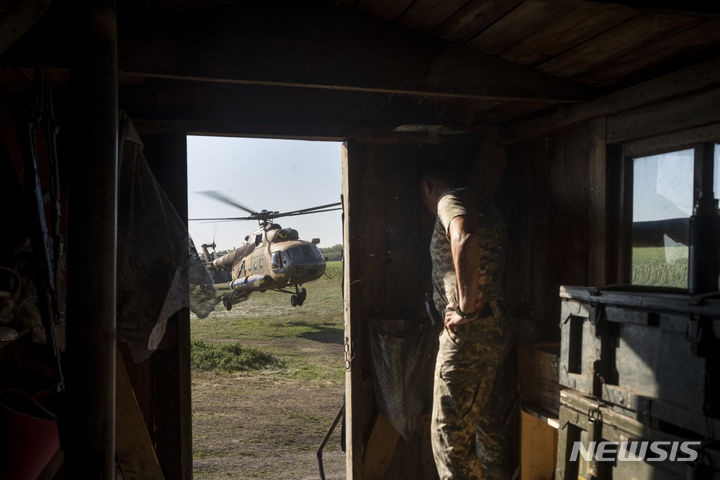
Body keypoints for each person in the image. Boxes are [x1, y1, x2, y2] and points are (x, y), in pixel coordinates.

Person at [421, 164, 517, 480]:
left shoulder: (449, 200)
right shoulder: (483, 202)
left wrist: (464, 308)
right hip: (495, 329)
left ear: (427, 186)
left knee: (448, 439)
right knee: (488, 425)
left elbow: (464, 237)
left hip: (468, 334)